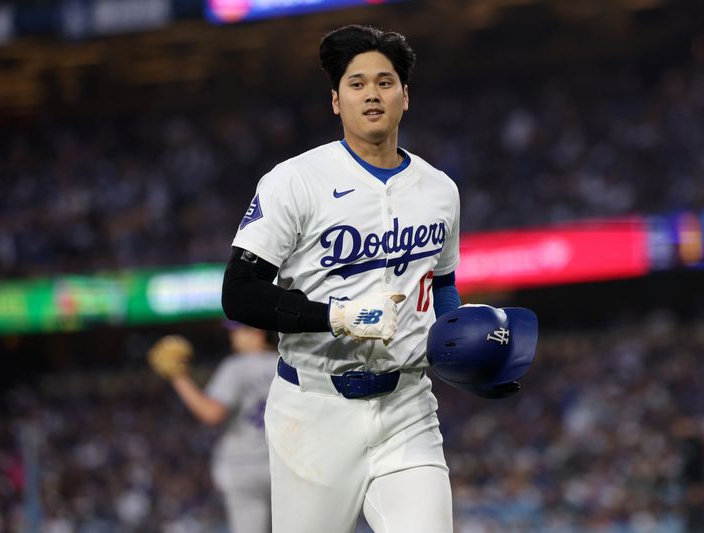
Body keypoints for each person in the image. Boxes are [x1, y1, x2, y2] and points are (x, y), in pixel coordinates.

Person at [222, 25, 468, 533]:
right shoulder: (294, 180)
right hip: (312, 411)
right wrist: (332, 317)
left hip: (407, 407)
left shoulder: (440, 190)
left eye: (385, 81)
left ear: (405, 96)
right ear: (336, 101)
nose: (372, 93)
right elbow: (238, 295)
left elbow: (442, 285)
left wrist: (467, 349)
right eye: (356, 84)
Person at [147, 322, 277, 533]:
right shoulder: (285, 363)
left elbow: (212, 413)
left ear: (258, 332)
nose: (232, 336)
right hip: (282, 465)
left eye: (238, 331)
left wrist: (179, 378)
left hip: (244, 468)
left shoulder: (236, 367)